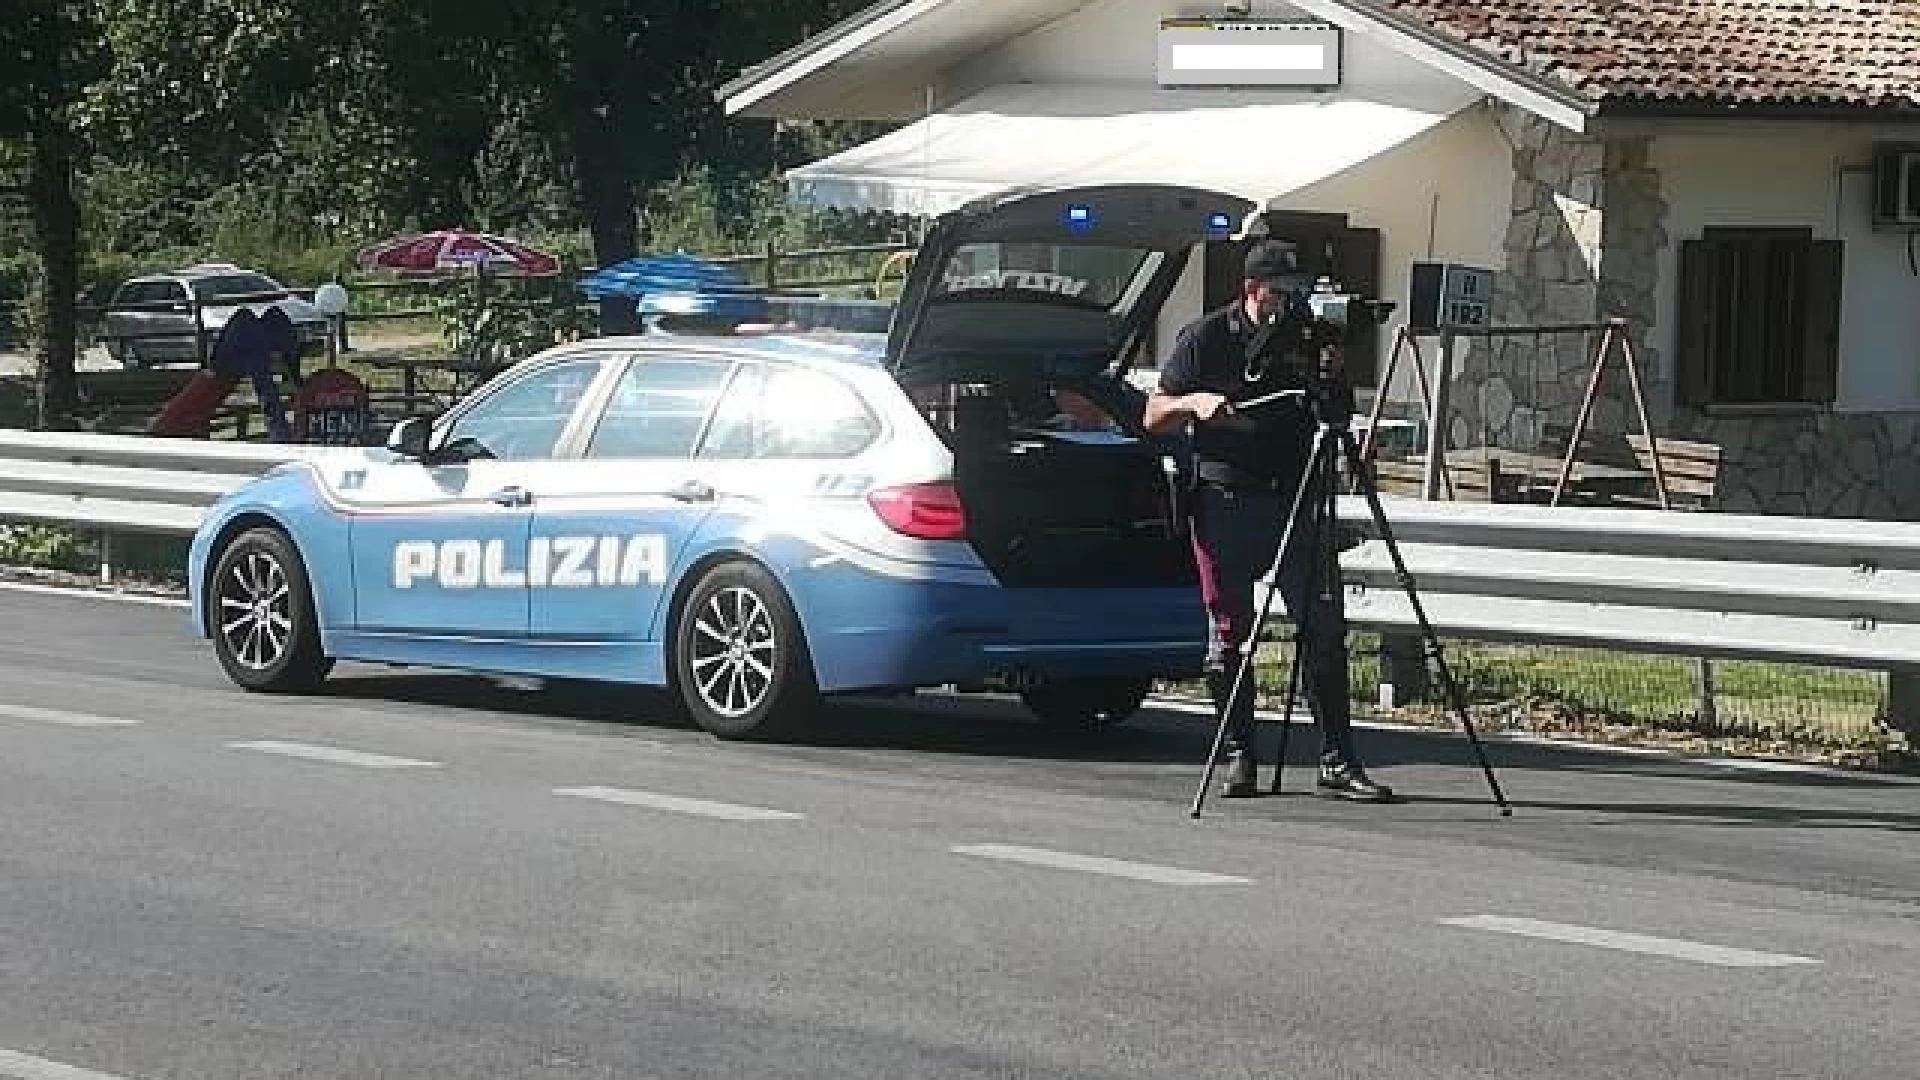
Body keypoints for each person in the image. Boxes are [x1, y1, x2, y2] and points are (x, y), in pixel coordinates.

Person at [1144, 239, 1395, 802]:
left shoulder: (1305, 337)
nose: (1286, 302)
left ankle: (1338, 762)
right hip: (1226, 500)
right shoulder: (1204, 337)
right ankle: (1240, 756)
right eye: (1277, 292)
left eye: (1293, 292)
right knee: (1231, 634)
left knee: (1324, 630)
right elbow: (1154, 413)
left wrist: (1348, 416)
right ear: (1251, 289)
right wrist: (1196, 404)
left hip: (1296, 497)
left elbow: (1335, 406)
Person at [148, 306, 295, 442]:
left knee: (249, 324)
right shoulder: (252, 348)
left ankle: (280, 429)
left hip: (219, 370)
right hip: (219, 373)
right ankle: (280, 430)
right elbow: (266, 390)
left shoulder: (246, 341)